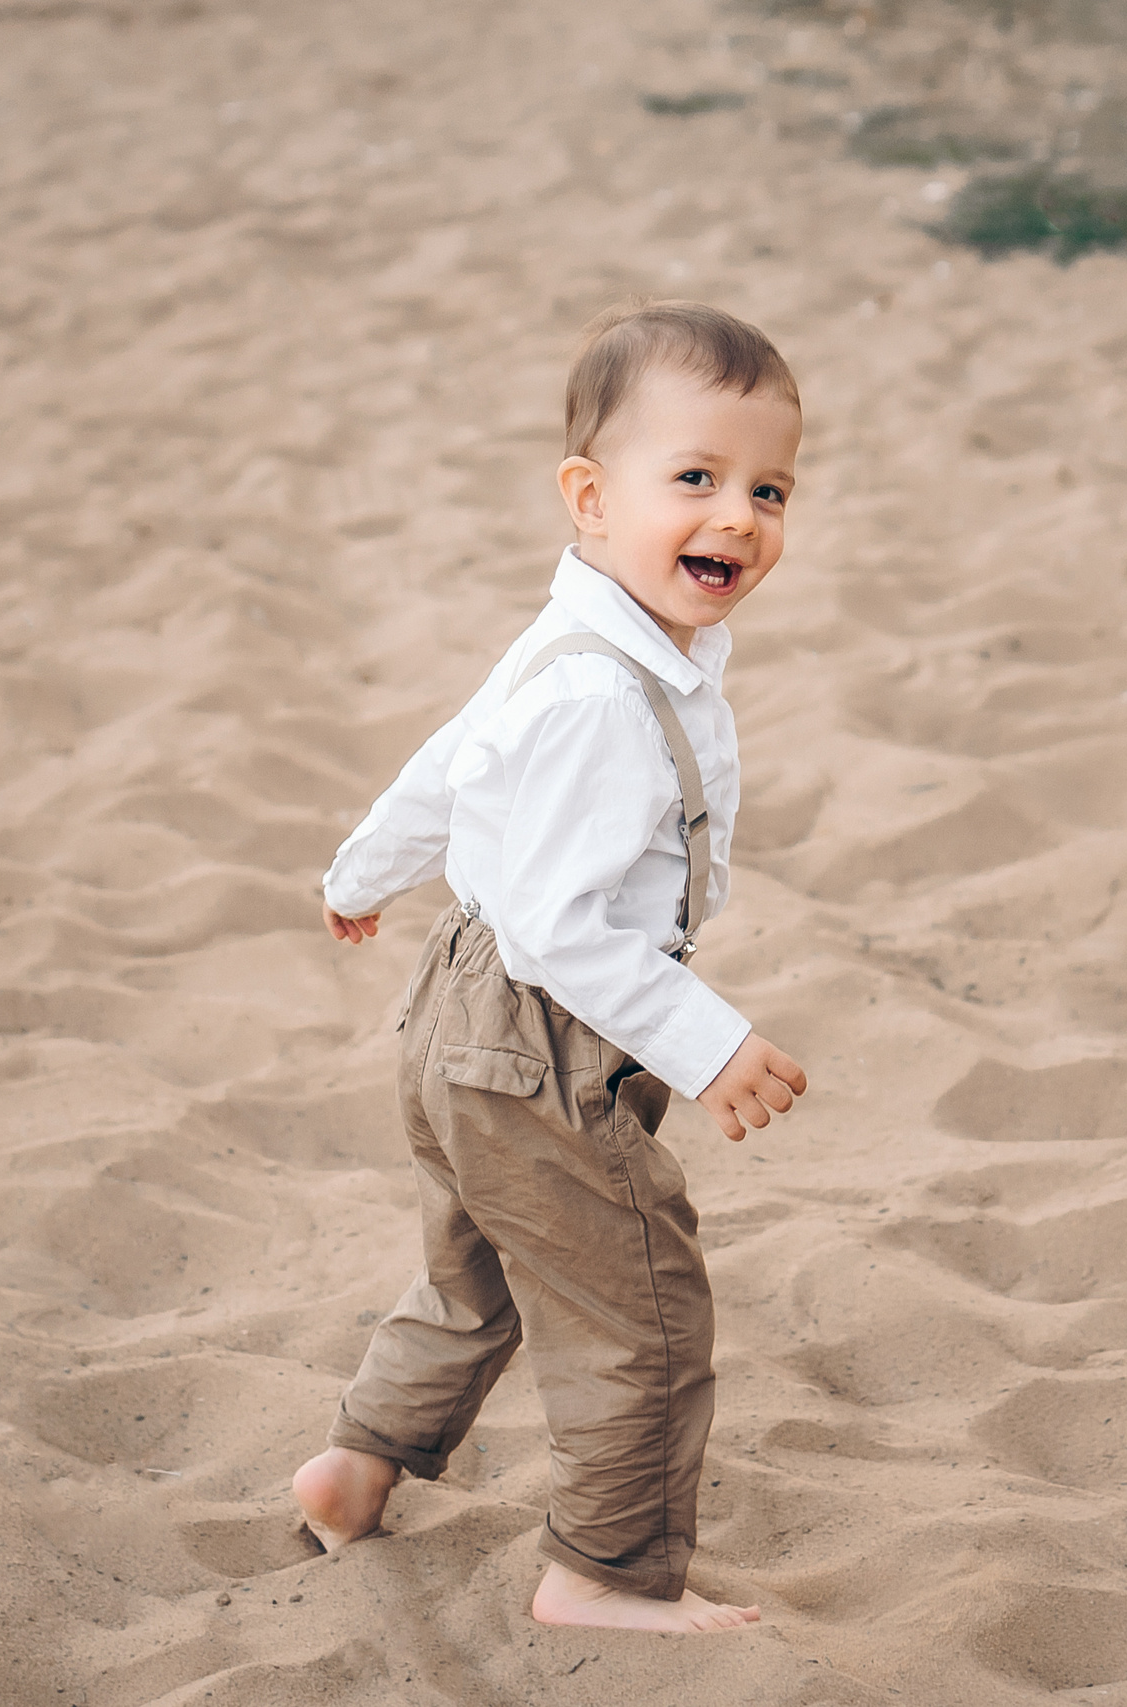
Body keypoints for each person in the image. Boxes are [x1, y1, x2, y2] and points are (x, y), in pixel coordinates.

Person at [289, 300, 809, 1633]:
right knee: (643, 1308)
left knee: (477, 1271)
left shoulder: (576, 640)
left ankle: (356, 1469)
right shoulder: (599, 693)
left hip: (456, 1017)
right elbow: (558, 930)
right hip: (541, 1030)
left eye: (768, 488)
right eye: (693, 479)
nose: (738, 516)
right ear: (589, 496)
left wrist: (365, 870)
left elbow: (458, 756)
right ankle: (604, 1574)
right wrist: (708, 1041)